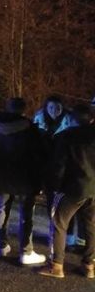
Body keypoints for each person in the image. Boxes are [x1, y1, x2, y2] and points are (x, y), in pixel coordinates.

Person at [0, 97, 47, 265]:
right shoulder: (28, 128)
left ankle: (1, 245)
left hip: (1, 174)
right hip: (24, 175)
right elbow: (38, 154)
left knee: (3, 208)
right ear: (23, 110)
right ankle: (26, 251)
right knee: (26, 212)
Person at [38, 104, 95, 279]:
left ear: (71, 119)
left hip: (71, 188)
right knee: (91, 226)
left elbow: (59, 166)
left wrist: (53, 187)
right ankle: (89, 265)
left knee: (58, 222)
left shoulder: (67, 136)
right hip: (93, 188)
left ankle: (56, 265)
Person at [34, 94, 82, 249]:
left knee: (67, 205)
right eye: (51, 107)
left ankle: (69, 236)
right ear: (46, 107)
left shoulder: (70, 122)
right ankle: (53, 235)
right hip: (47, 169)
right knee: (51, 205)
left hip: (67, 170)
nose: (54, 111)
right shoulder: (38, 121)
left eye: (58, 108)